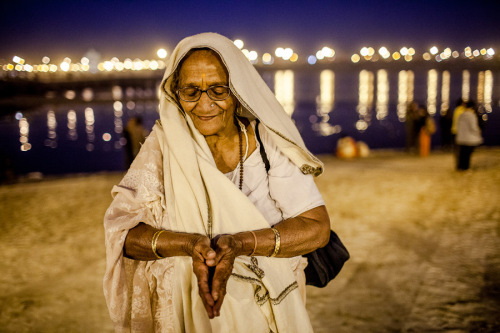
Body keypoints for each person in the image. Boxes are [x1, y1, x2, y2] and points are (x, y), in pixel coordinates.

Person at [103, 32, 330, 332]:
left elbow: (316, 227)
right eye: (191, 91)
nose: (204, 104)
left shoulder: (266, 141)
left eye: (218, 90)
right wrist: (189, 245)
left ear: (237, 90)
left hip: (266, 310)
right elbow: (124, 234)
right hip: (186, 310)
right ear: (175, 92)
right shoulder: (164, 144)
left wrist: (240, 244)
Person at [455, 100, 483, 171]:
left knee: (462, 154)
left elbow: (457, 126)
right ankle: (466, 167)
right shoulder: (471, 116)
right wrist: (478, 132)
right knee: (468, 155)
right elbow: (473, 127)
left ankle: (461, 167)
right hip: (470, 139)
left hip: (461, 138)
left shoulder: (461, 115)